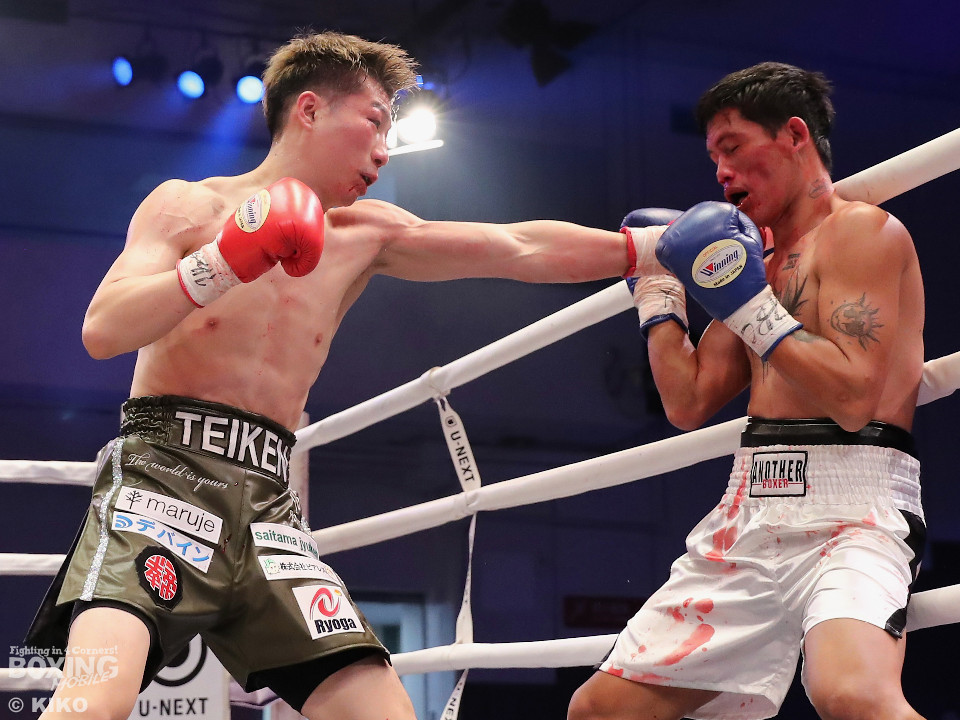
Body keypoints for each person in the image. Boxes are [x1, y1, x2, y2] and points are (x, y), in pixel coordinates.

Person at [25, 30, 652, 720]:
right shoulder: (189, 207)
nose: (385, 150)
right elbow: (103, 329)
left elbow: (515, 245)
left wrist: (647, 249)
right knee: (95, 701)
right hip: (160, 481)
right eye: (375, 122)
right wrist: (225, 261)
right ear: (310, 109)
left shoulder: (365, 234)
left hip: (268, 506)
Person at [567, 62, 926, 720]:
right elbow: (688, 401)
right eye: (713, 159)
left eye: (732, 148)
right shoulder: (755, 261)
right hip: (751, 507)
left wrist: (747, 305)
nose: (722, 174)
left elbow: (852, 400)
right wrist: (659, 293)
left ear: (794, 134)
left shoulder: (863, 232)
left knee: (851, 694)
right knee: (599, 710)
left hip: (854, 506)